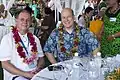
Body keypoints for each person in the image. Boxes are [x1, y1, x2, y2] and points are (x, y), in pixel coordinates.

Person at [0, 8, 44, 80]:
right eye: (22, 19)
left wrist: (38, 69)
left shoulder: (35, 39)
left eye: (28, 20)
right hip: (16, 76)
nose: (25, 22)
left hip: (34, 74)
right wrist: (26, 74)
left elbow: (41, 58)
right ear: (16, 20)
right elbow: (5, 64)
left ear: (31, 22)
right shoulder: (7, 39)